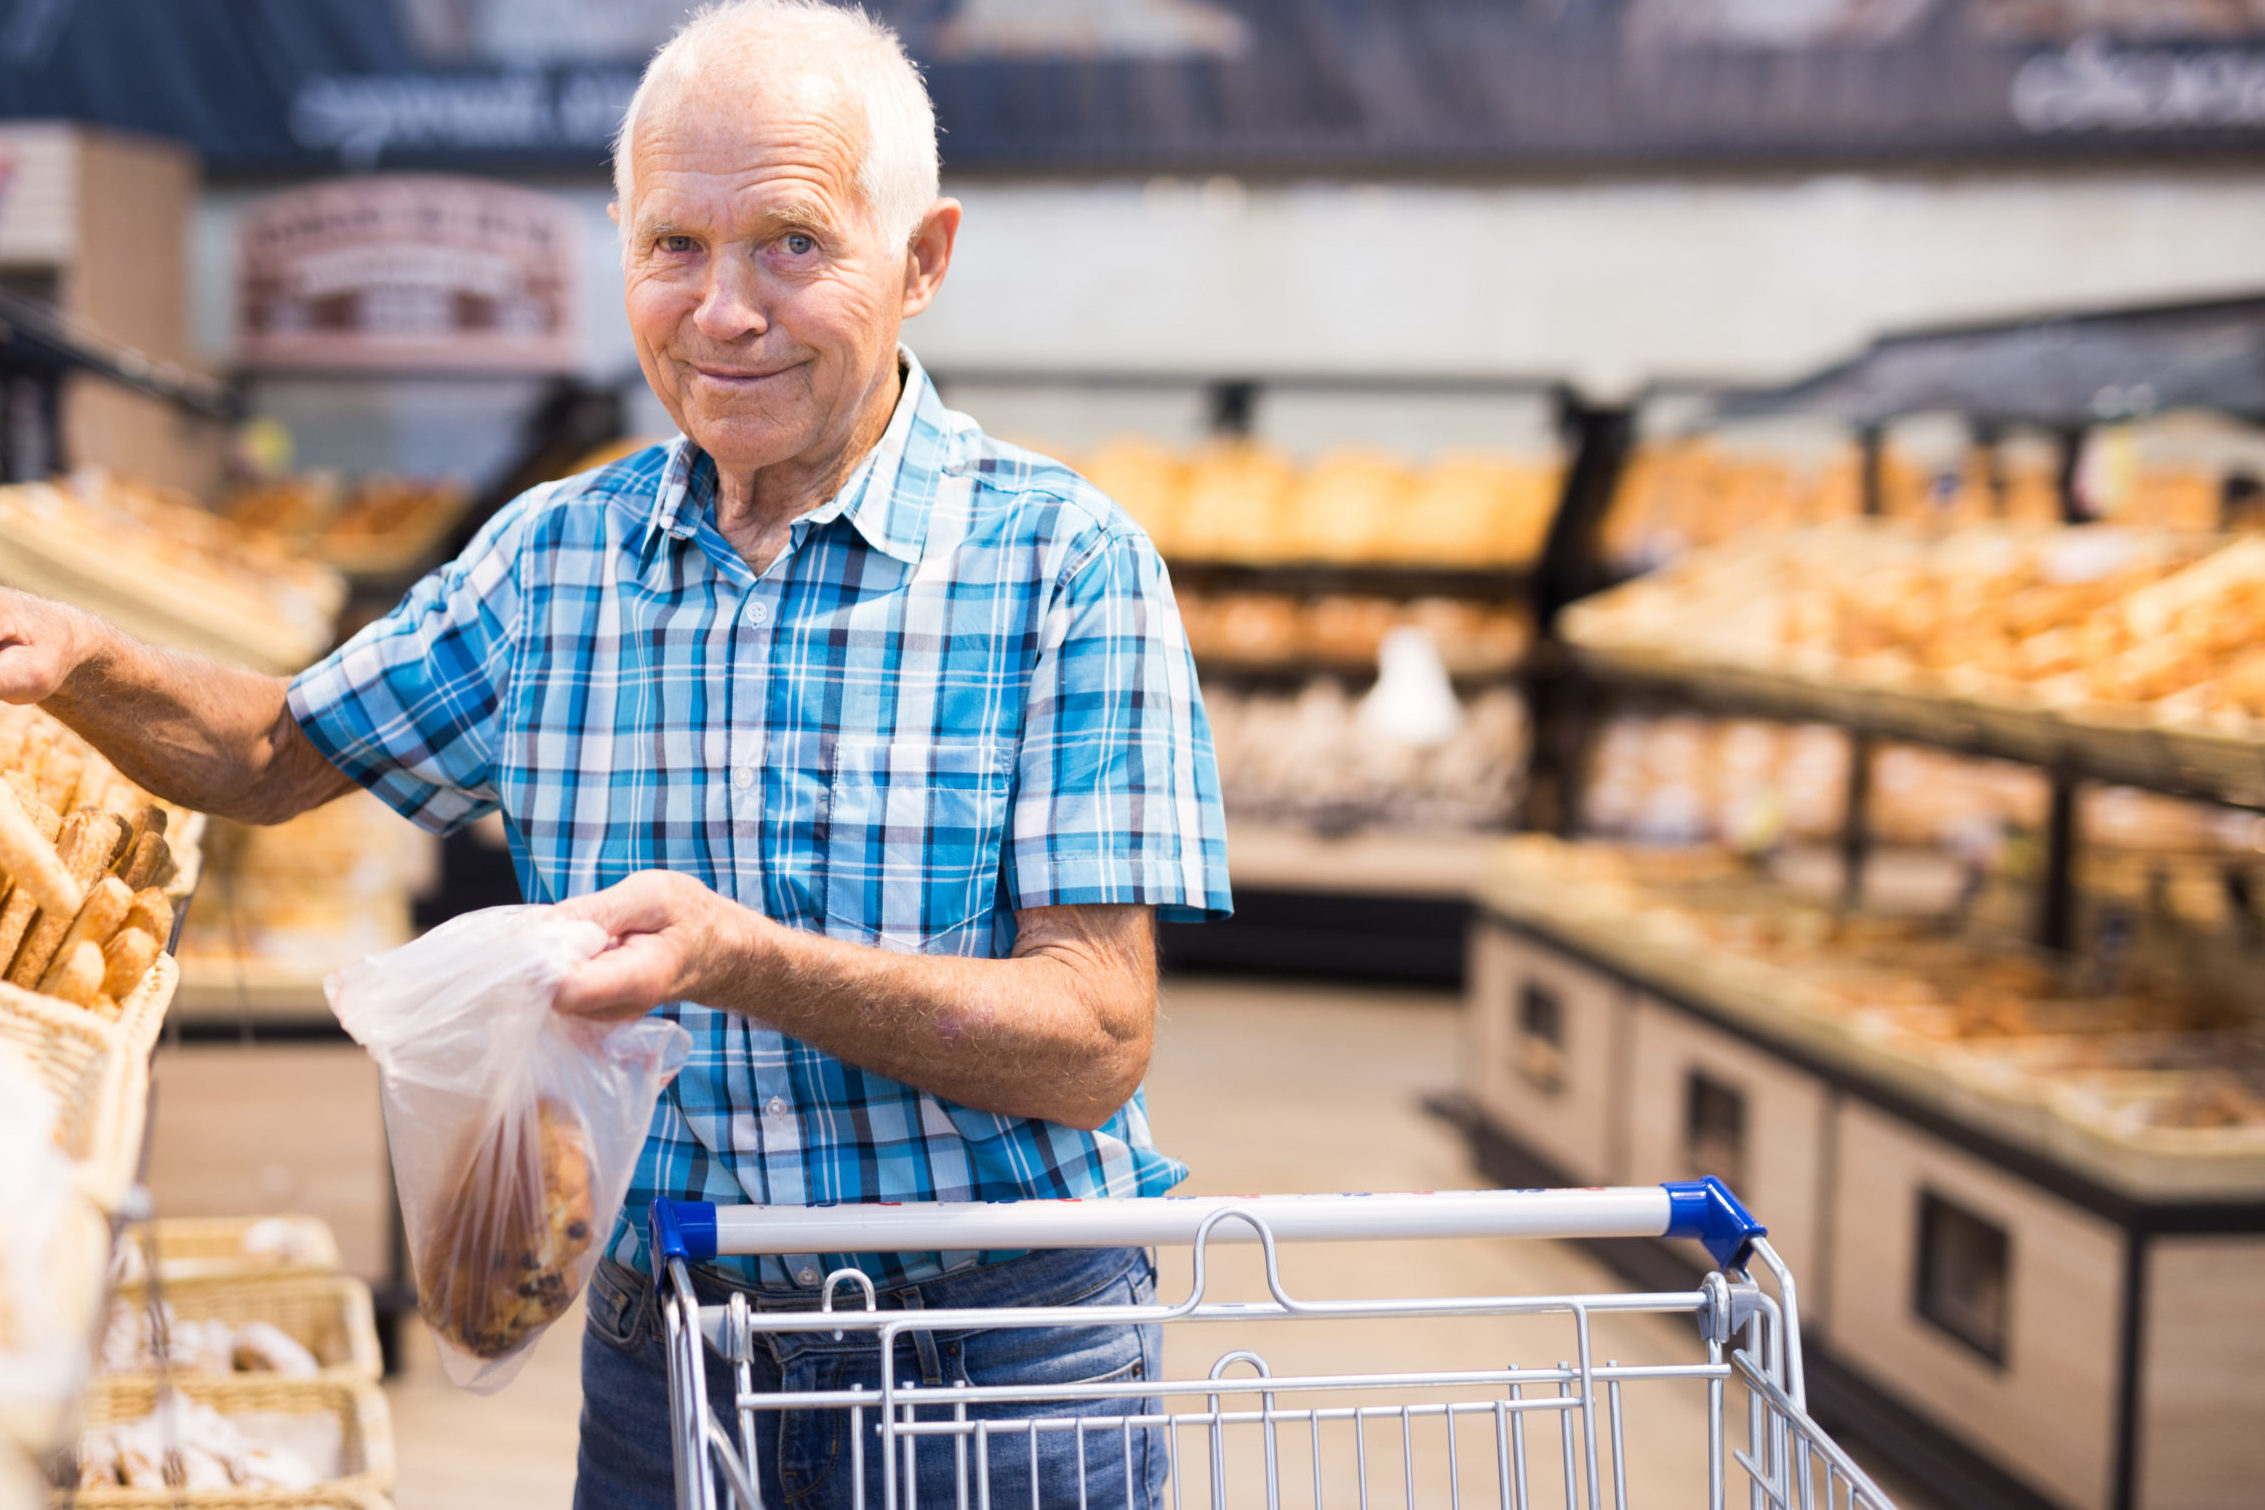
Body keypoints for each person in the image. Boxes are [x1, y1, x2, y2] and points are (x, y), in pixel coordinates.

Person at [0, 2, 1230, 1504]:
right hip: (674, 1360)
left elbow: (1094, 1036)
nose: (722, 310)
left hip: (984, 1363)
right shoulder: (558, 559)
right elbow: (276, 750)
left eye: (792, 242)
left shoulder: (1061, 565)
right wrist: (80, 657)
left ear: (921, 261)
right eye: (672, 247)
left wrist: (741, 959)